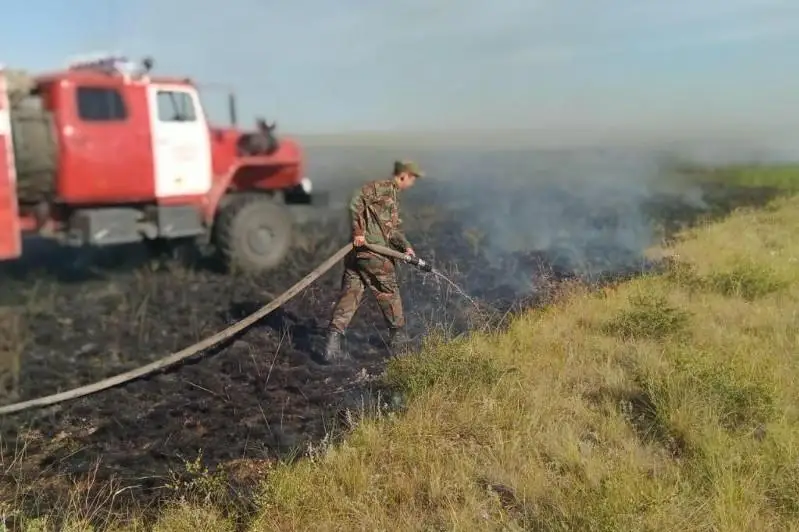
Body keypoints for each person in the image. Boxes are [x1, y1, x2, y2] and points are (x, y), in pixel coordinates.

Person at [321, 160, 424, 363]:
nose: (412, 184)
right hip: (372, 254)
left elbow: (392, 230)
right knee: (389, 293)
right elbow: (355, 201)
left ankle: (331, 347)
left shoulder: (392, 197)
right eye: (412, 179)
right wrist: (358, 232)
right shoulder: (381, 187)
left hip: (359, 257)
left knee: (351, 295)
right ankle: (399, 343)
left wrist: (406, 247)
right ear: (404, 175)